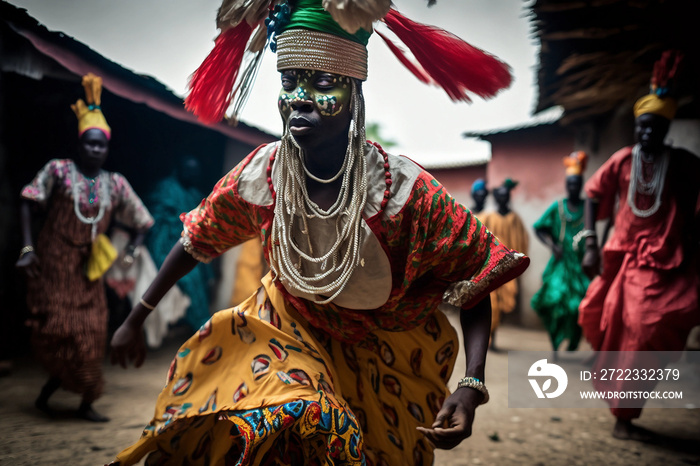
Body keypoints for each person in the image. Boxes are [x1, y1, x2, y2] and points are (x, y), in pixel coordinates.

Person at [109, 1, 529, 464]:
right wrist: (136, 317)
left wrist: (471, 384)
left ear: (355, 91)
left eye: (323, 83)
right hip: (285, 332)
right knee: (297, 417)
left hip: (382, 350)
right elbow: (196, 241)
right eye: (289, 82)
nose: (301, 98)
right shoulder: (264, 175)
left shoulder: (404, 193)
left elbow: (472, 282)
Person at [14, 73, 154, 422]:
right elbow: (28, 202)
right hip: (54, 263)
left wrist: (132, 252)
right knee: (58, 329)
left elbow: (143, 222)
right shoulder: (57, 171)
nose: (96, 149)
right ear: (79, 144)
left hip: (90, 270)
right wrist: (27, 248)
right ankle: (48, 393)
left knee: (91, 334)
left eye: (101, 145)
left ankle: (87, 401)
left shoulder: (115, 183)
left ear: (108, 148)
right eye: (90, 143)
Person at [578, 50, 700, 441]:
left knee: (647, 330)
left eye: (655, 128)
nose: (647, 134)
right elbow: (592, 196)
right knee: (607, 321)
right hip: (622, 259)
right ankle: (622, 413)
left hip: (665, 263)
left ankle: (624, 410)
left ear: (666, 130)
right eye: (641, 126)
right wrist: (591, 242)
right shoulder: (623, 160)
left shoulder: (683, 163)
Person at [531, 152, 590, 359]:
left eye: (577, 183)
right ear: (567, 184)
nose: (573, 187)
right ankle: (555, 345)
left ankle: (574, 341)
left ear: (581, 184)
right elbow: (538, 228)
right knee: (554, 302)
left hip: (581, 265)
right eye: (570, 183)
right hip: (560, 264)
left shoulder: (587, 207)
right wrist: (552, 245)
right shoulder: (557, 207)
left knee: (579, 307)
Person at [146, 155, 213, 331]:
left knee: (202, 274)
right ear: (179, 170)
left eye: (195, 173)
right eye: (188, 171)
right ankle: (197, 324)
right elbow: (156, 221)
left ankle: (199, 323)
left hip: (191, 245)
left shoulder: (195, 194)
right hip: (166, 243)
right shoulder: (165, 188)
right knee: (187, 277)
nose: (191, 176)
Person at [479, 179, 529, 349]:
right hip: (490, 266)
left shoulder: (515, 219)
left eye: (505, 196)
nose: (502, 199)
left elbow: (522, 241)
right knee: (492, 302)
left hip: (508, 267)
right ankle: (489, 338)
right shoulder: (488, 217)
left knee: (503, 303)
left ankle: (493, 335)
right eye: (499, 196)